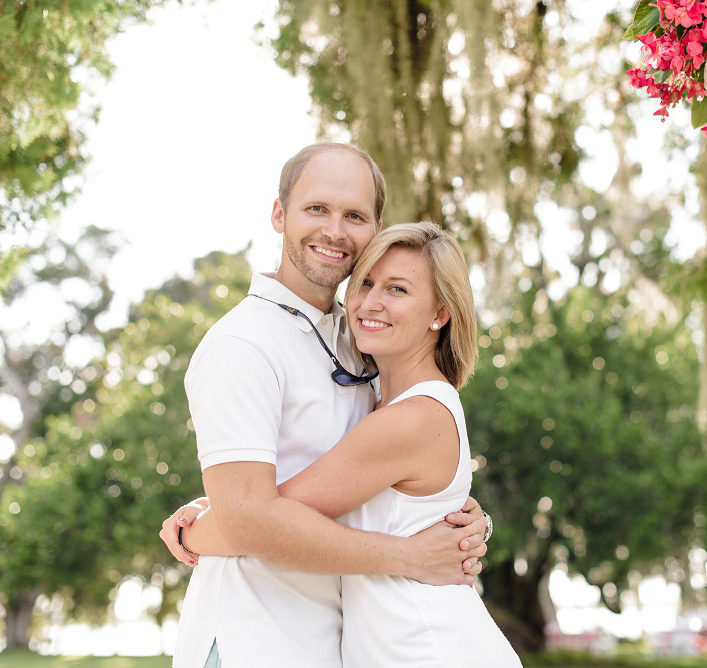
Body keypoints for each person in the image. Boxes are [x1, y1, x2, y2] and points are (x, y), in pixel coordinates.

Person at [160, 143, 492, 668]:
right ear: (279, 214)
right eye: (317, 208)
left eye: (354, 215)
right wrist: (409, 554)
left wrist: (458, 517)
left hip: (337, 643)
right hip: (255, 639)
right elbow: (247, 521)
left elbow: (385, 474)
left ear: (373, 229)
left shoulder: (358, 336)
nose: (334, 230)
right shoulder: (242, 344)